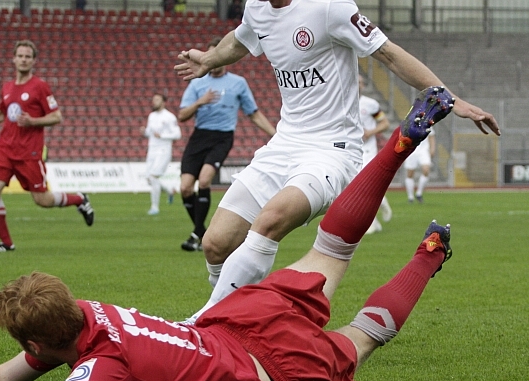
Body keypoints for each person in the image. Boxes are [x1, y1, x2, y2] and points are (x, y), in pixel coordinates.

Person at [0, 92, 453, 381]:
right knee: (331, 249)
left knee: (361, 338)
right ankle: (395, 147)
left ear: (39, 344)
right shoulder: (87, 313)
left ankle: (428, 257)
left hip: (273, 371)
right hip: (236, 319)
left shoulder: (104, 367)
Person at [175, 0, 499, 322]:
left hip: (331, 150)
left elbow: (388, 53)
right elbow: (239, 40)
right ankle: (235, 321)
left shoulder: (330, 7)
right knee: (215, 243)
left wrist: (449, 98)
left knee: (270, 220)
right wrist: (208, 59)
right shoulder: (256, 9)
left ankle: (204, 323)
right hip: (283, 145)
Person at [0, 40, 95, 252]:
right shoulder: (8, 87)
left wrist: (33, 121)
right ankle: (7, 244)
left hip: (28, 152)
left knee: (42, 200)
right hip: (4, 149)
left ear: (33, 61)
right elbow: (3, 113)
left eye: (27, 57)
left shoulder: (40, 87)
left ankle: (79, 199)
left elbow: (56, 116)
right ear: (13, 59)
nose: (23, 60)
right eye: (20, 56)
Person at [176, 36, 275, 252]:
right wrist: (200, 102)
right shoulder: (197, 82)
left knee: (204, 181)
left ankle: (197, 235)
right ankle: (200, 232)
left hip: (222, 137)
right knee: (185, 188)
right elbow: (182, 115)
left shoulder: (238, 83)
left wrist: (275, 134)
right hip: (199, 136)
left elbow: (253, 113)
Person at [358, 74, 392, 234]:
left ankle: (370, 223)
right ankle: (382, 203)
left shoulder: (370, 104)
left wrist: (370, 132)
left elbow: (385, 123)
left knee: (364, 184)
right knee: (356, 186)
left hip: (368, 149)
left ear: (363, 85)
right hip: (350, 150)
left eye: (360, 82)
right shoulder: (341, 102)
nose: (357, 85)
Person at [143, 92, 181, 216]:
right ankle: (170, 190)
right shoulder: (151, 116)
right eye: (154, 99)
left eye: (157, 99)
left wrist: (162, 135)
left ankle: (155, 207)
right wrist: (144, 132)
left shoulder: (169, 117)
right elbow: (149, 133)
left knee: (153, 177)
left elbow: (177, 134)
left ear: (163, 102)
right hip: (152, 150)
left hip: (163, 151)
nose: (154, 102)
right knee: (149, 179)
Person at [404, 126, 435, 203]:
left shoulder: (427, 123)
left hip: (423, 151)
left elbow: (431, 136)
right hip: (411, 151)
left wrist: (432, 149)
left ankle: (419, 193)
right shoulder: (409, 123)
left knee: (426, 170)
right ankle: (410, 197)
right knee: (410, 174)